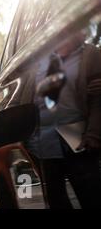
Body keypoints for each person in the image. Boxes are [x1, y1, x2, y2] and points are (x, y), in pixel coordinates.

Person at [26, 32, 101, 208]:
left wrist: (94, 135)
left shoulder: (92, 55)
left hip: (78, 138)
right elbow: (27, 97)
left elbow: (98, 101)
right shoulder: (40, 61)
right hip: (43, 141)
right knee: (55, 199)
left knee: (91, 195)